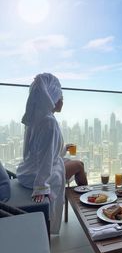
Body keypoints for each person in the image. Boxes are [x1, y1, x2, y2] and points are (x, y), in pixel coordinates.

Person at [16, 73, 87, 234]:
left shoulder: (35, 118)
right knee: (79, 165)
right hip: (38, 176)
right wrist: (41, 187)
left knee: (73, 161)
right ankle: (88, 204)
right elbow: (47, 159)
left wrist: (62, 149)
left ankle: (87, 200)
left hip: (27, 172)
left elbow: (38, 151)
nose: (63, 100)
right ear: (53, 96)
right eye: (61, 96)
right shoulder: (49, 122)